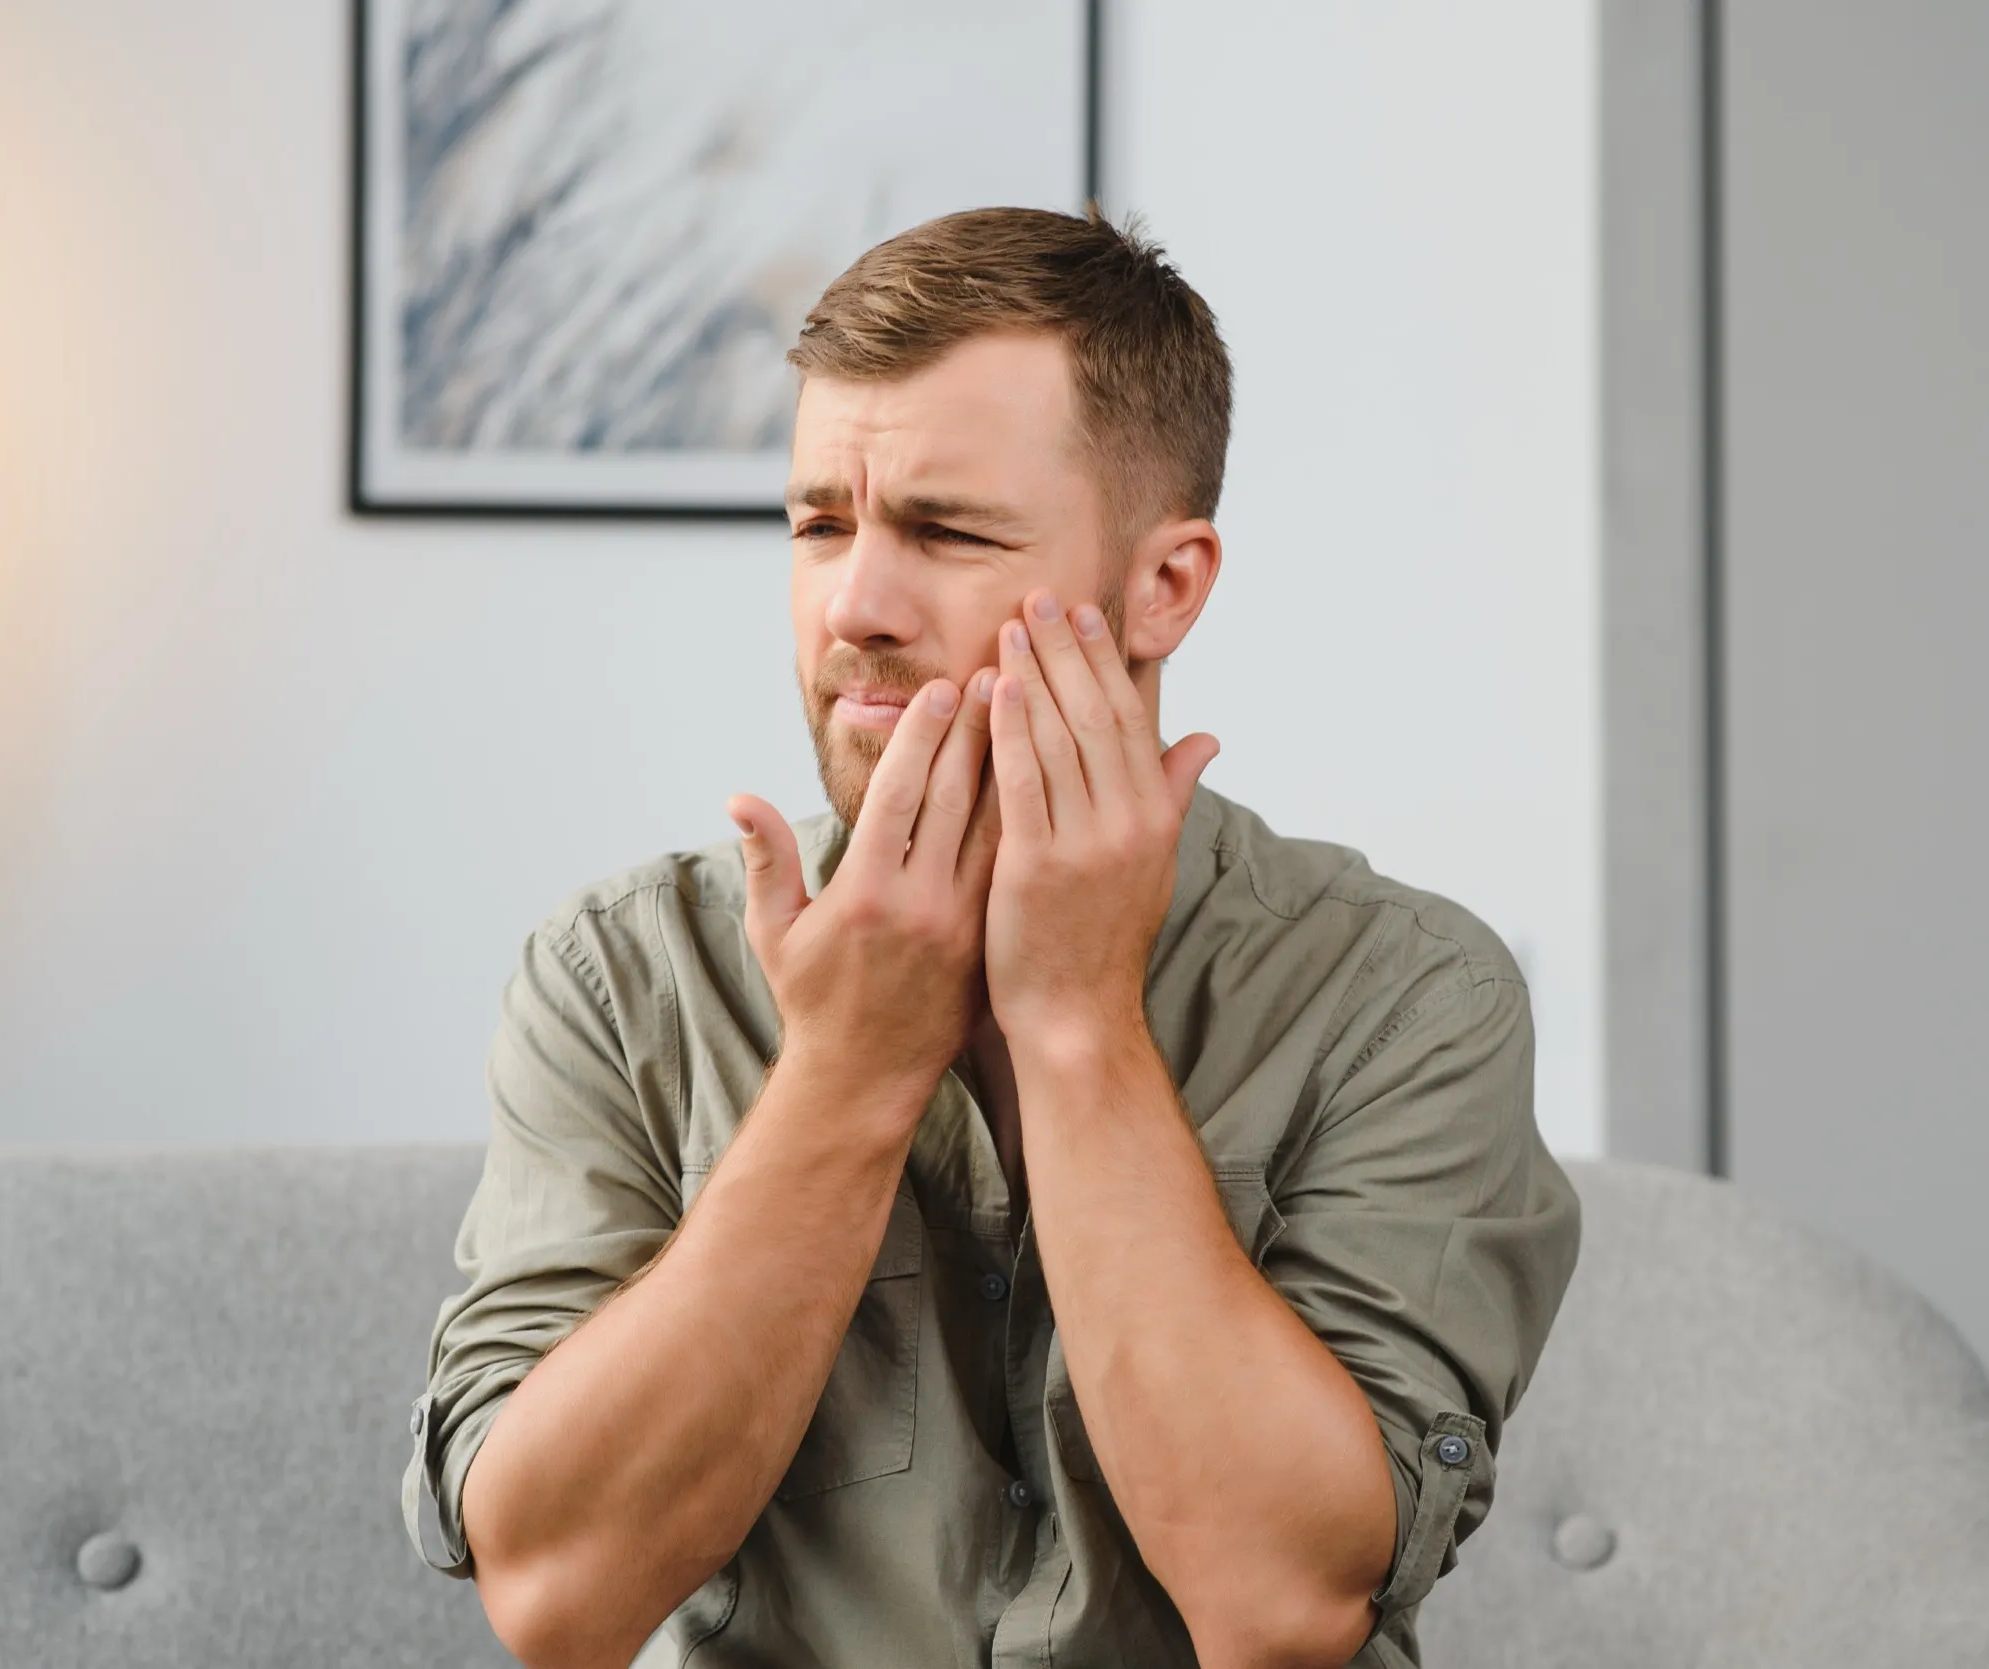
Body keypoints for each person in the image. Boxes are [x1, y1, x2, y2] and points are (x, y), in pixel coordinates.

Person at [402, 207, 1580, 1669]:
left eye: (946, 533)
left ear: (1165, 589)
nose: (857, 606)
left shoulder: (1406, 998)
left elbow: (1280, 1607)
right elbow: (558, 1596)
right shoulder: (625, 979)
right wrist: (845, 1074)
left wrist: (1079, 1023)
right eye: (820, 524)